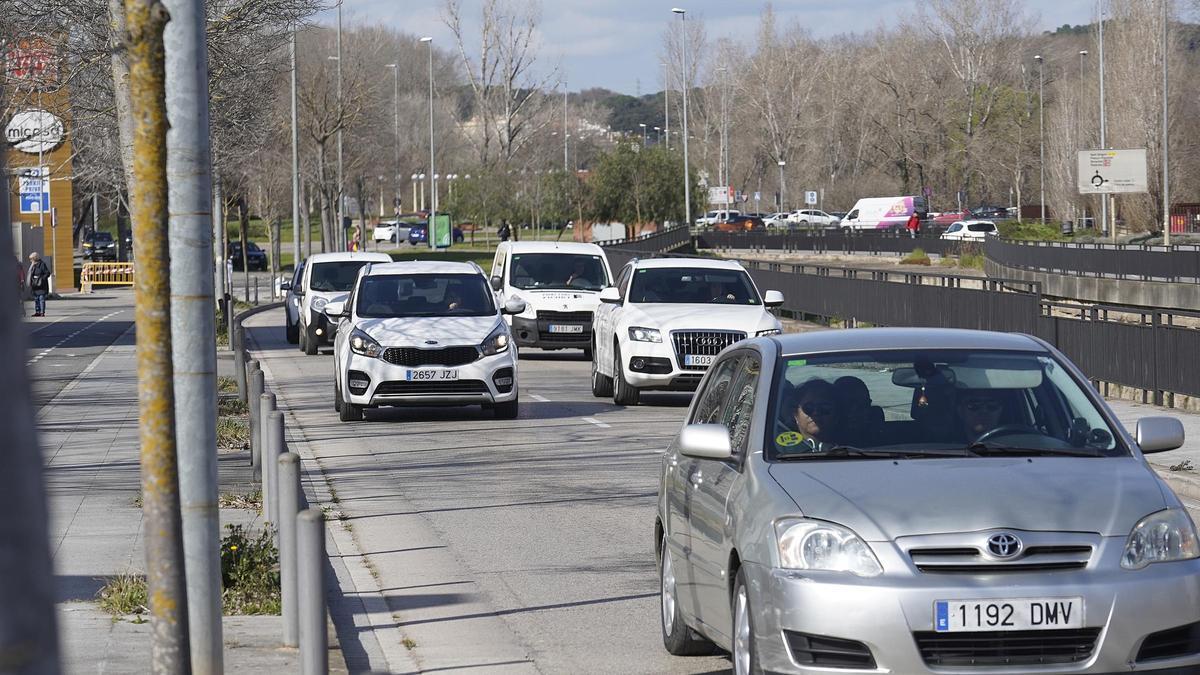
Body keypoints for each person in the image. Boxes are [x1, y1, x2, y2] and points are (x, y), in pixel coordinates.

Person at [776, 378, 841, 452]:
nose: (816, 413)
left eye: (824, 407)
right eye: (808, 408)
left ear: (836, 414)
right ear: (795, 414)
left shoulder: (853, 449)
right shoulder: (779, 450)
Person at [27, 252, 50, 317]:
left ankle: (42, 312)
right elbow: (30, 274)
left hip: (41, 285)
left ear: (35, 258)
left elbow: (47, 273)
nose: (30, 260)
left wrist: (42, 279)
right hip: (35, 285)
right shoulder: (32, 265)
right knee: (36, 299)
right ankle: (37, 312)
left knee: (41, 299)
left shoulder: (42, 264)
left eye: (31, 259)